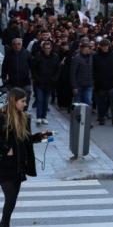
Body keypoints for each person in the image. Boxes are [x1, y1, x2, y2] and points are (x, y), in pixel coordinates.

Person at [0, 88, 52, 227]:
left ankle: (5, 223)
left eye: (26, 101)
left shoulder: (25, 117)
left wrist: (43, 136)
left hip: (19, 166)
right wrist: (6, 149)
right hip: (4, 167)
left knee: (12, 200)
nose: (25, 104)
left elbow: (27, 139)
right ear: (13, 101)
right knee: (10, 200)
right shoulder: (2, 117)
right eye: (22, 101)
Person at [30, 41, 60, 125]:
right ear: (43, 48)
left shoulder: (55, 57)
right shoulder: (38, 56)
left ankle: (44, 117)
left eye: (49, 48)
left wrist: (54, 79)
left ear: (51, 48)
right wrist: (36, 78)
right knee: (40, 100)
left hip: (50, 83)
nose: (47, 50)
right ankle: (39, 117)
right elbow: (34, 69)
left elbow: (58, 69)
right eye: (46, 48)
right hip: (40, 82)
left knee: (46, 101)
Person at [93, 39, 113, 126]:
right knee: (101, 102)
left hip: (112, 83)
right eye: (103, 46)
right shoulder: (95, 56)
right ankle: (101, 118)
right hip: (100, 83)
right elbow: (92, 69)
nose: (105, 48)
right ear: (100, 46)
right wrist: (96, 78)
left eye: (106, 46)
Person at [1, 38, 33, 105]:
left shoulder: (27, 53)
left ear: (22, 44)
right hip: (13, 82)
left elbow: (32, 66)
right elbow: (4, 67)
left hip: (25, 82)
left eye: (19, 44)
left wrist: (31, 76)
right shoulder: (8, 54)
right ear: (12, 45)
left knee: (25, 98)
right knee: (14, 100)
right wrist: (4, 78)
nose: (17, 46)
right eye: (14, 44)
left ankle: (23, 112)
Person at [70, 41, 94, 106]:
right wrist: (74, 86)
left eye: (88, 49)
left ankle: (85, 116)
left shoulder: (92, 57)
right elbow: (72, 73)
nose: (87, 51)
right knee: (77, 103)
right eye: (85, 49)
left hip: (89, 83)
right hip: (79, 84)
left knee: (87, 101)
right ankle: (77, 115)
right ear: (81, 49)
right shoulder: (76, 58)